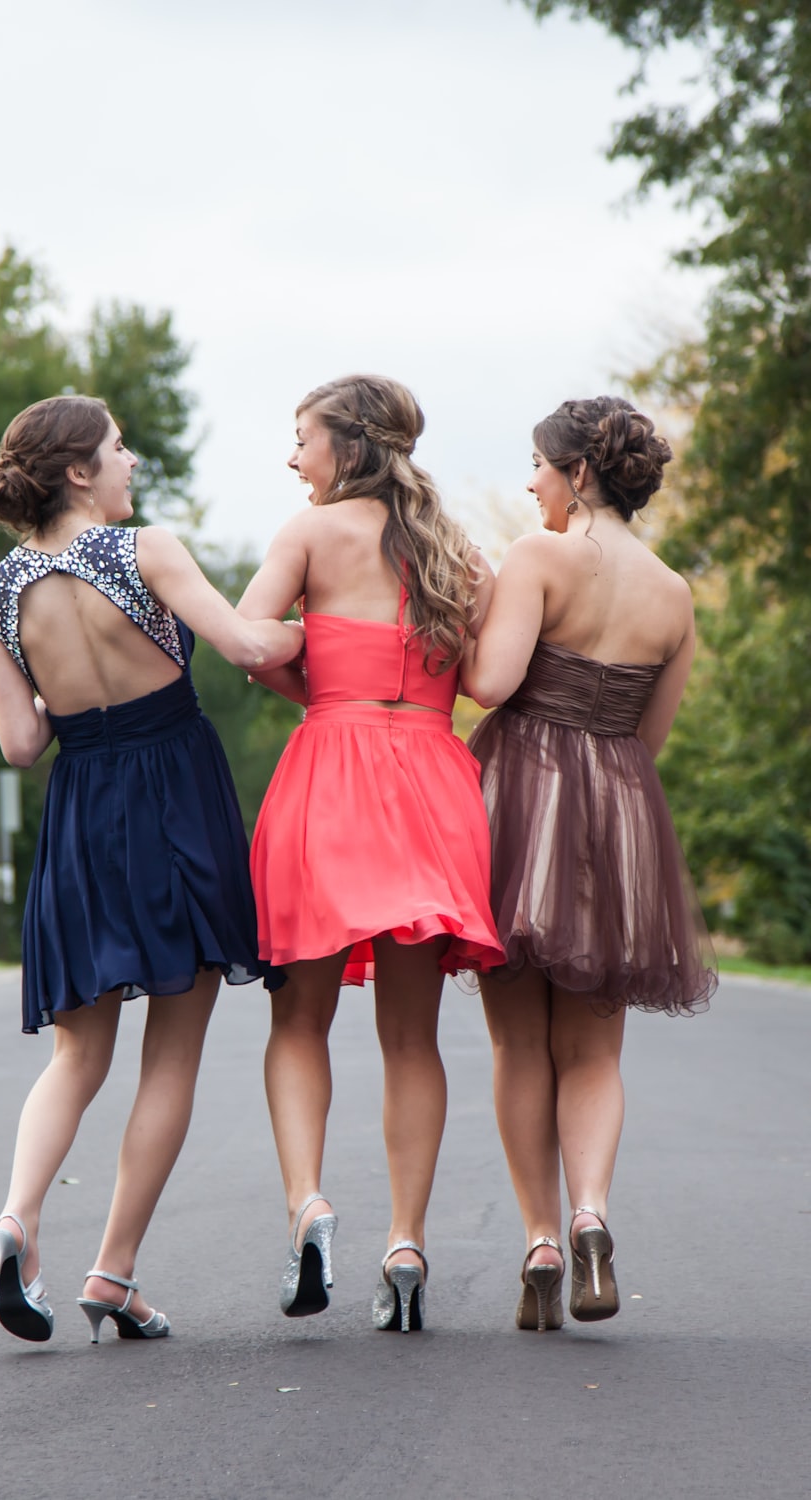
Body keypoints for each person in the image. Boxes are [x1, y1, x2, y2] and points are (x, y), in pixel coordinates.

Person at [0, 393, 303, 1345]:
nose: (132, 462)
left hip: (83, 814)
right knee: (173, 1052)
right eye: (118, 449)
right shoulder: (146, 551)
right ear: (79, 471)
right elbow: (245, 645)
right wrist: (355, 643)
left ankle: (14, 1220)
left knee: (77, 1055)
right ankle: (112, 1272)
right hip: (175, 807)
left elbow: (21, 743)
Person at [237, 374, 505, 1334]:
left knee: (298, 1023)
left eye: (301, 438)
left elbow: (251, 641)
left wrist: (319, 687)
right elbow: (484, 680)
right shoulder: (456, 549)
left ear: (345, 445)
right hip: (433, 778)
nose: (292, 457)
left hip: (330, 776)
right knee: (411, 1038)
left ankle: (311, 1204)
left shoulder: (307, 536)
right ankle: (405, 1241)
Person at [466, 396, 717, 1333]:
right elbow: (649, 735)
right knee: (596, 1048)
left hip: (521, 803)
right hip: (616, 815)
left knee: (516, 1041)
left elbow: (491, 684)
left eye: (537, 465)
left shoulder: (538, 557)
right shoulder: (674, 593)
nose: (530, 482)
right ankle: (591, 1216)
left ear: (577, 472)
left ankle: (536, 1236)